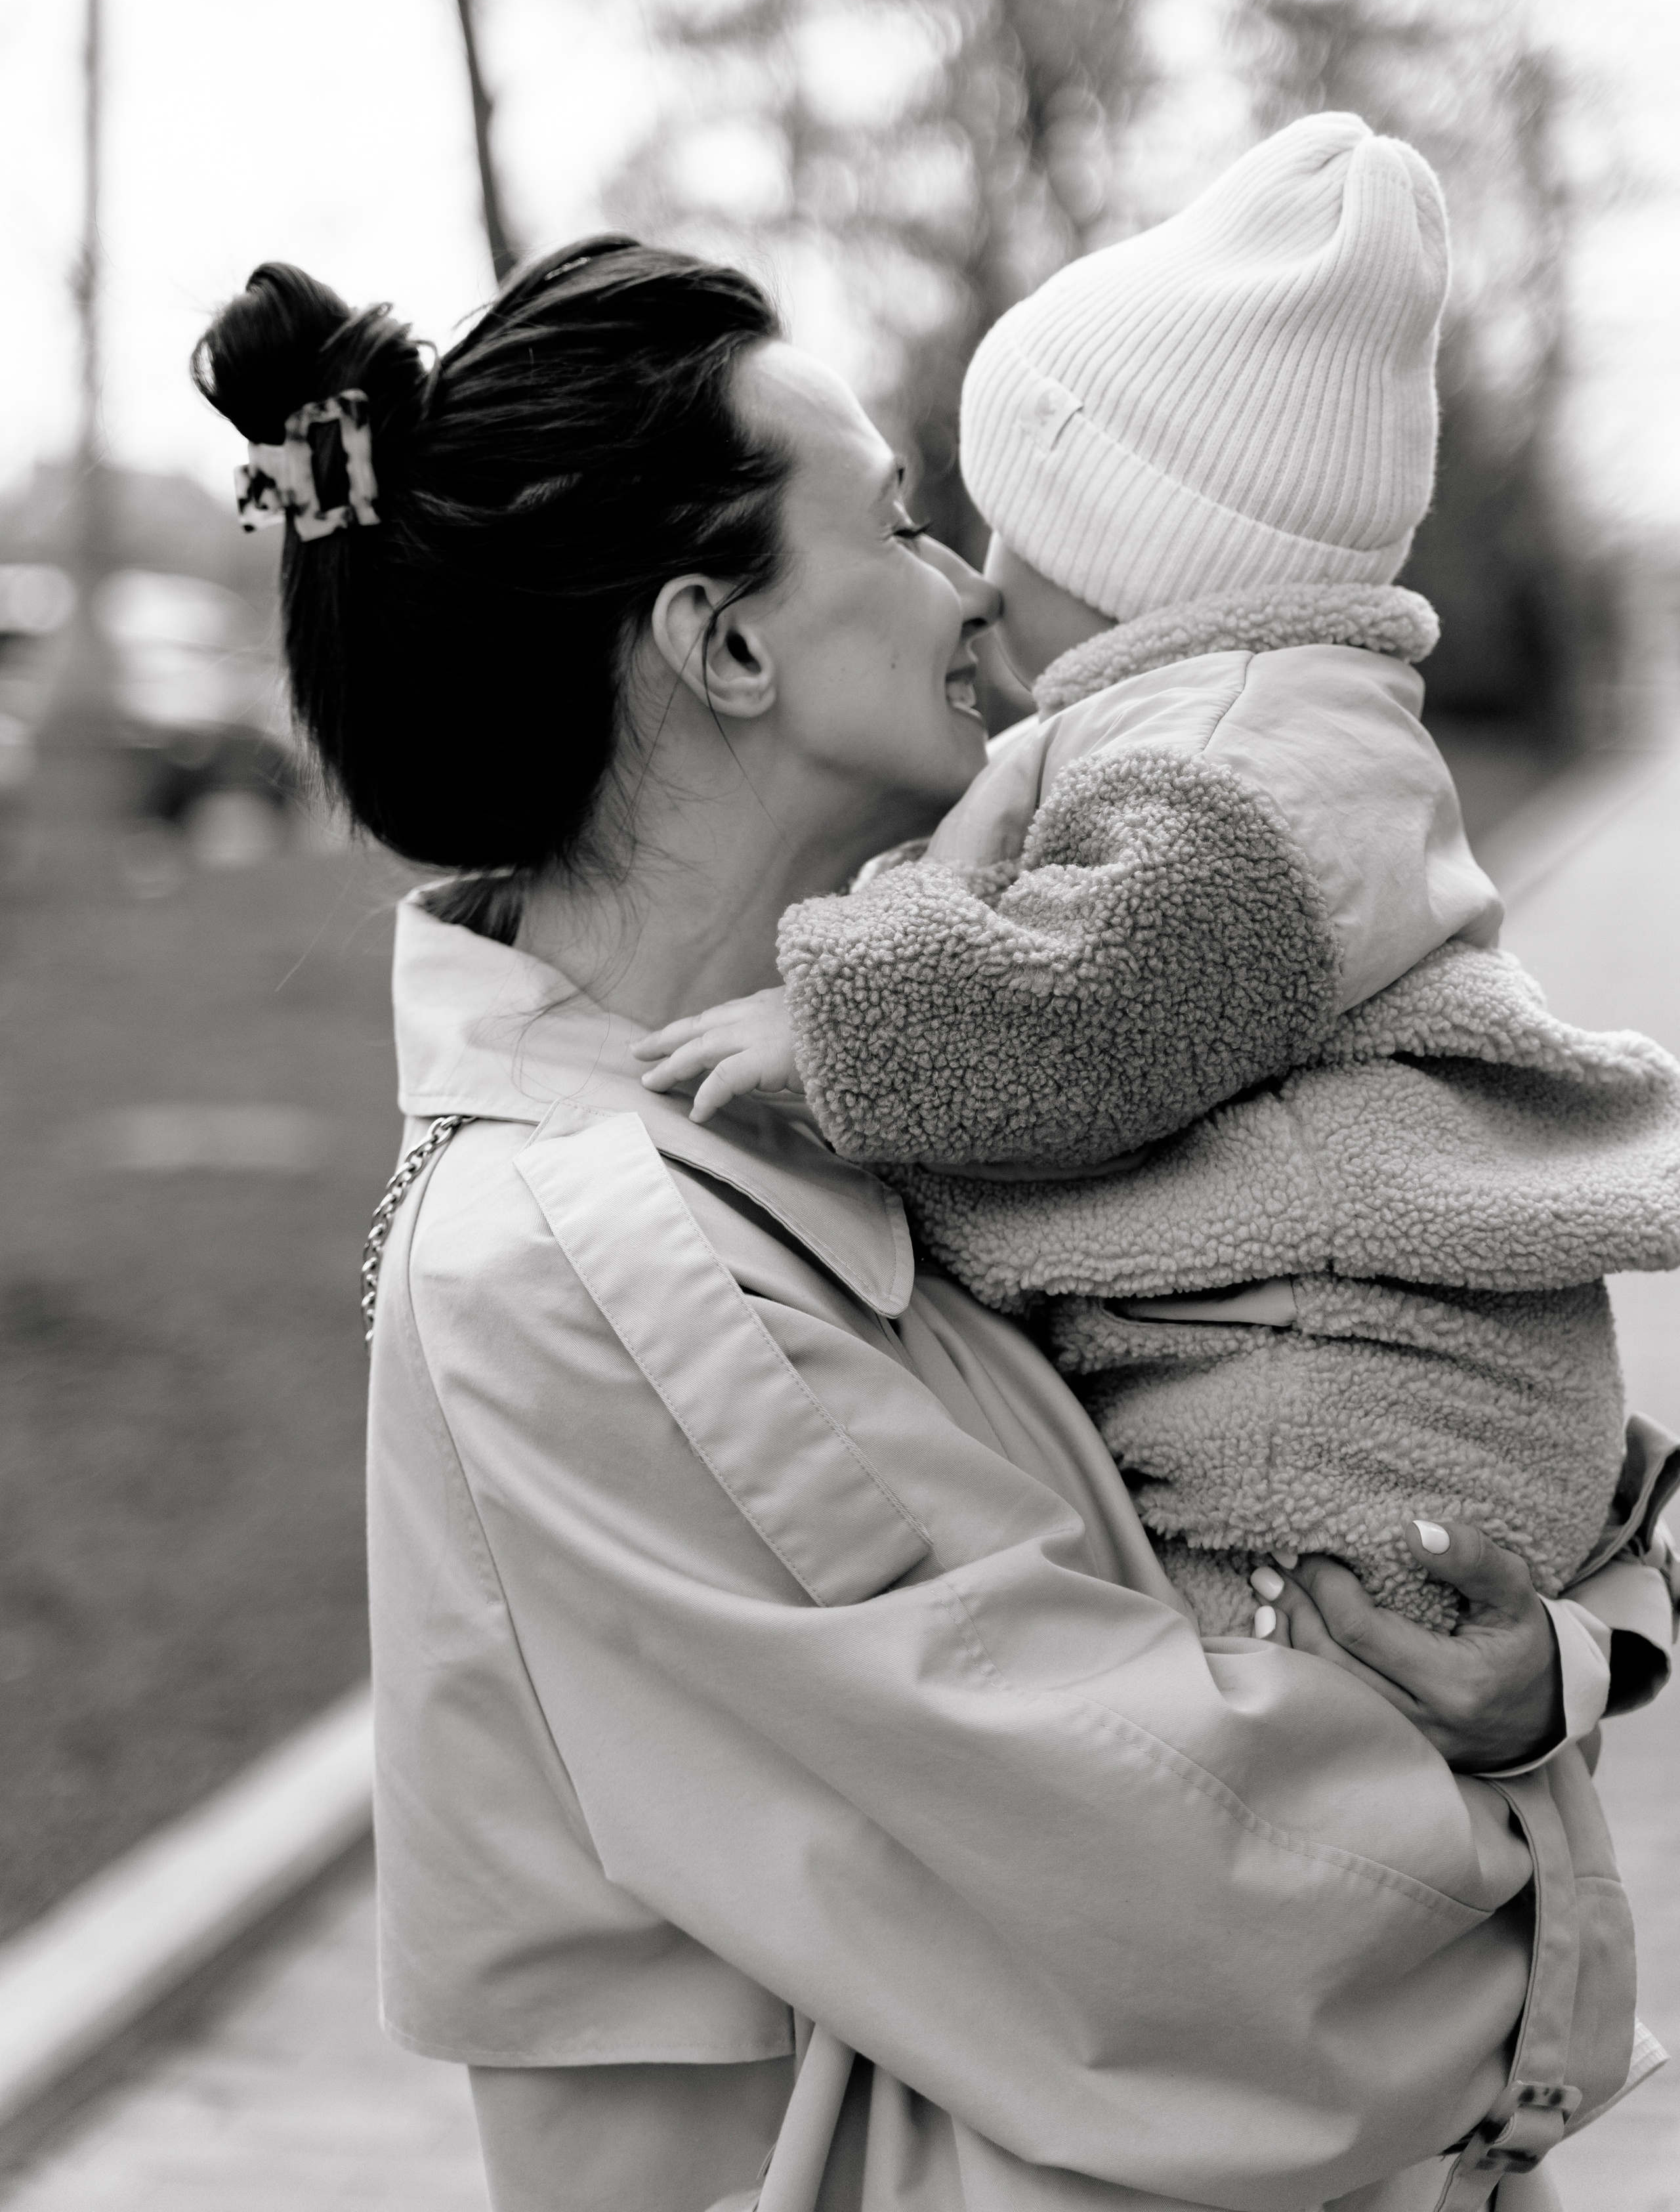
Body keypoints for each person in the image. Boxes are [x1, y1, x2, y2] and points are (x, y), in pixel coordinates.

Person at [192, 238, 1671, 2212]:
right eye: (892, 522)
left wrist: (1567, 1648)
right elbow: (1281, 1949)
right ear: (725, 646)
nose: (979, 583)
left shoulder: (886, 1097)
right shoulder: (601, 1262)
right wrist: (1534, 1806)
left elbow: (1372, 1340)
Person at [634, 116, 1680, 1643]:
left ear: (1122, 546)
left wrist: (841, 1027)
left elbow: (1099, 1002)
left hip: (1316, 1434)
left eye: (1005, 516)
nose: (977, 575)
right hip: (1368, 1403)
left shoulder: (1226, 759)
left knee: (1175, 1695)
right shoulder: (1261, 725)